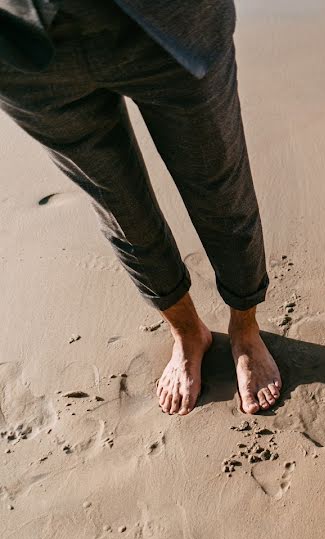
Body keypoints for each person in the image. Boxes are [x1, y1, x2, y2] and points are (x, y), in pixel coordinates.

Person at [0, 0, 281, 415]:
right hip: (20, 44)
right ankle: (187, 334)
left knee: (220, 186)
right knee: (118, 207)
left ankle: (245, 326)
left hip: (172, 19)